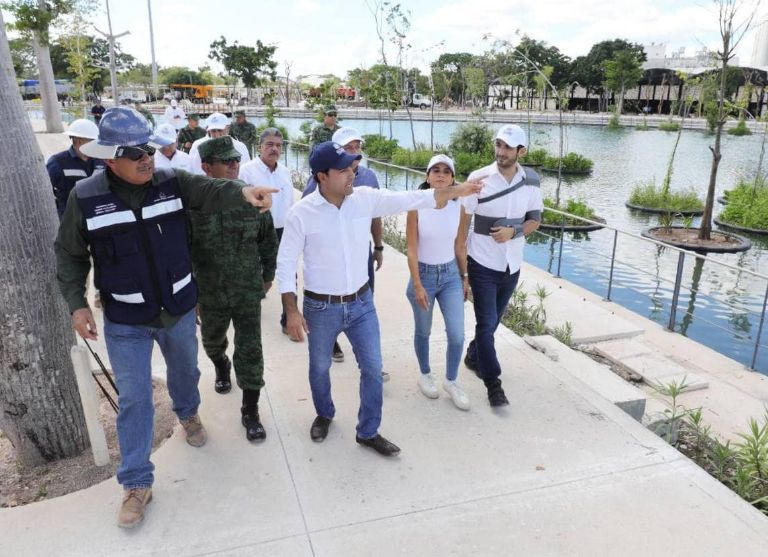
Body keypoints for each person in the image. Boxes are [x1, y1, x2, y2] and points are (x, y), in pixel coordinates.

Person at [54, 106, 276, 529]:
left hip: (176, 309)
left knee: (185, 373)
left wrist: (242, 193)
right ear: (109, 157)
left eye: (149, 149)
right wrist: (77, 304)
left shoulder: (170, 182)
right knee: (134, 398)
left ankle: (188, 412)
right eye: (135, 152)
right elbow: (69, 254)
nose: (146, 158)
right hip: (126, 318)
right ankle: (136, 484)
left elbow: (210, 190)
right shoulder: (85, 197)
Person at [277, 141, 482, 457]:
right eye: (344, 169)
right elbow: (286, 263)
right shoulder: (300, 214)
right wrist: (291, 310)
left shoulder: (365, 200)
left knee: (373, 369)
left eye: (352, 167)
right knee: (319, 368)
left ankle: (368, 431)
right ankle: (325, 412)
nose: (352, 173)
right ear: (322, 176)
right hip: (321, 307)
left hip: (361, 305)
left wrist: (459, 190)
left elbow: (414, 197)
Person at [191, 136, 277, 442]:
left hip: (246, 289)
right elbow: (184, 252)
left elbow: (267, 240)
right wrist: (192, 296)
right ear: (205, 167)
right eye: (226, 161)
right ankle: (221, 365)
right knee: (213, 341)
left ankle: (250, 409)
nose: (233, 165)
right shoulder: (194, 204)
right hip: (210, 290)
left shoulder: (252, 198)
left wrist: (268, 274)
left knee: (251, 348)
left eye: (236, 160)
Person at [458, 124, 542, 407]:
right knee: (485, 323)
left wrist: (513, 232)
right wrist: (463, 271)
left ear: (522, 151)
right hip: (481, 261)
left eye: (508, 147)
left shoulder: (530, 180)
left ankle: (473, 356)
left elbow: (535, 220)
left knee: (493, 321)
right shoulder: (479, 178)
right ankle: (493, 384)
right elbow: (464, 223)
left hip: (512, 263)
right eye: (499, 145)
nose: (501, 152)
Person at [303, 127, 384, 365]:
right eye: (349, 148)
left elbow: (376, 215)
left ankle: (370, 360)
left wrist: (378, 246)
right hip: (331, 258)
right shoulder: (317, 180)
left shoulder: (369, 178)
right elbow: (308, 214)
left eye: (357, 146)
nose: (355, 152)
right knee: (334, 303)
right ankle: (332, 338)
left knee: (364, 302)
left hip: (361, 254)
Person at [405, 154, 470, 410]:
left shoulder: (460, 207)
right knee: (423, 331)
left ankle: (452, 381)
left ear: (453, 178)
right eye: (435, 170)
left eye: (446, 171)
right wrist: (418, 284)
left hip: (451, 276)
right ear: (428, 177)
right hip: (424, 275)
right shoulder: (417, 206)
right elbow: (411, 249)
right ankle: (425, 373)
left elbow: (460, 245)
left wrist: (464, 278)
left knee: (457, 334)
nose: (441, 174)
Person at [238, 128, 294, 336]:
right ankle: (250, 306)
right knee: (258, 275)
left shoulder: (285, 172)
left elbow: (289, 203)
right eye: (269, 144)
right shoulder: (246, 171)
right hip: (255, 233)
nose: (274, 149)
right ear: (260, 146)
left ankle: (288, 319)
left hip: (282, 232)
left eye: (278, 145)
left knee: (289, 274)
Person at [46, 118, 105, 219]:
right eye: (92, 141)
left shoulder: (102, 160)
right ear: (78, 141)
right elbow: (46, 191)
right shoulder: (58, 162)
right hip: (70, 219)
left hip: (98, 217)